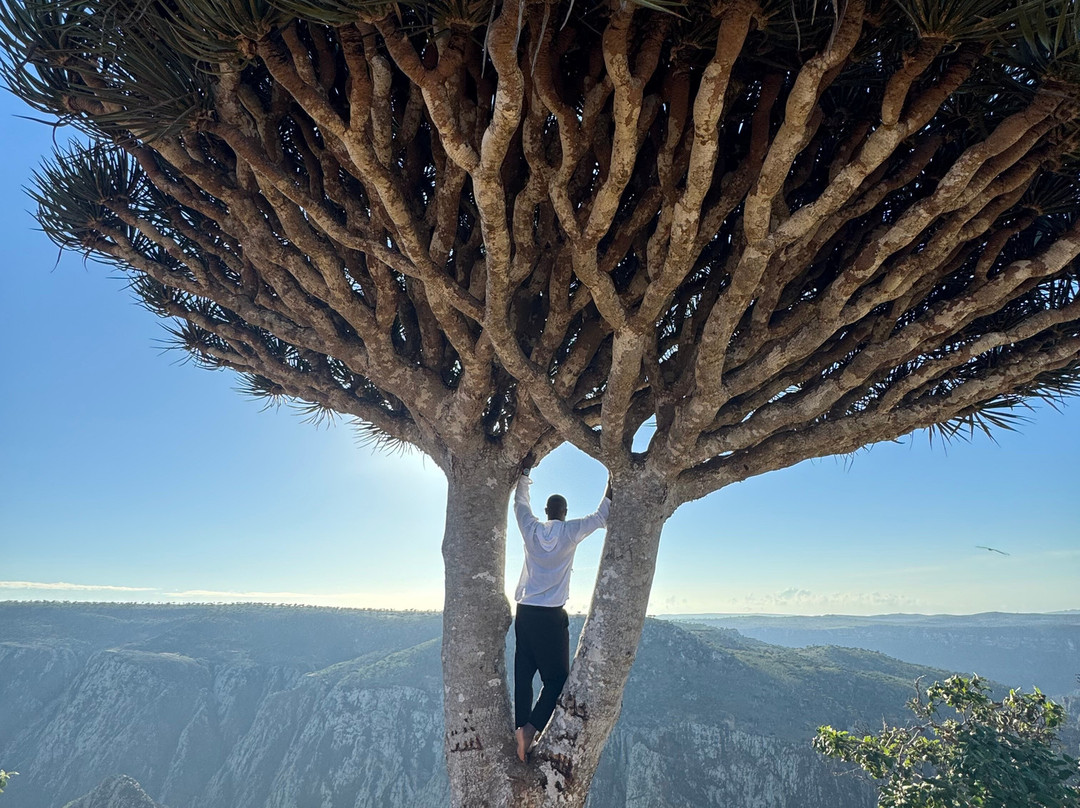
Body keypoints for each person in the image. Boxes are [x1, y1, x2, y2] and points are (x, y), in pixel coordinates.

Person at [512, 452, 612, 762]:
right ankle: (531, 730)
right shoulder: (569, 532)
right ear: (564, 513)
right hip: (550, 617)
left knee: (524, 675)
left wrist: (525, 472)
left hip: (524, 612)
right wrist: (613, 477)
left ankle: (519, 728)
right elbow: (602, 516)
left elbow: (520, 504)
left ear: (546, 511)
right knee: (556, 680)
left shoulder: (531, 529)